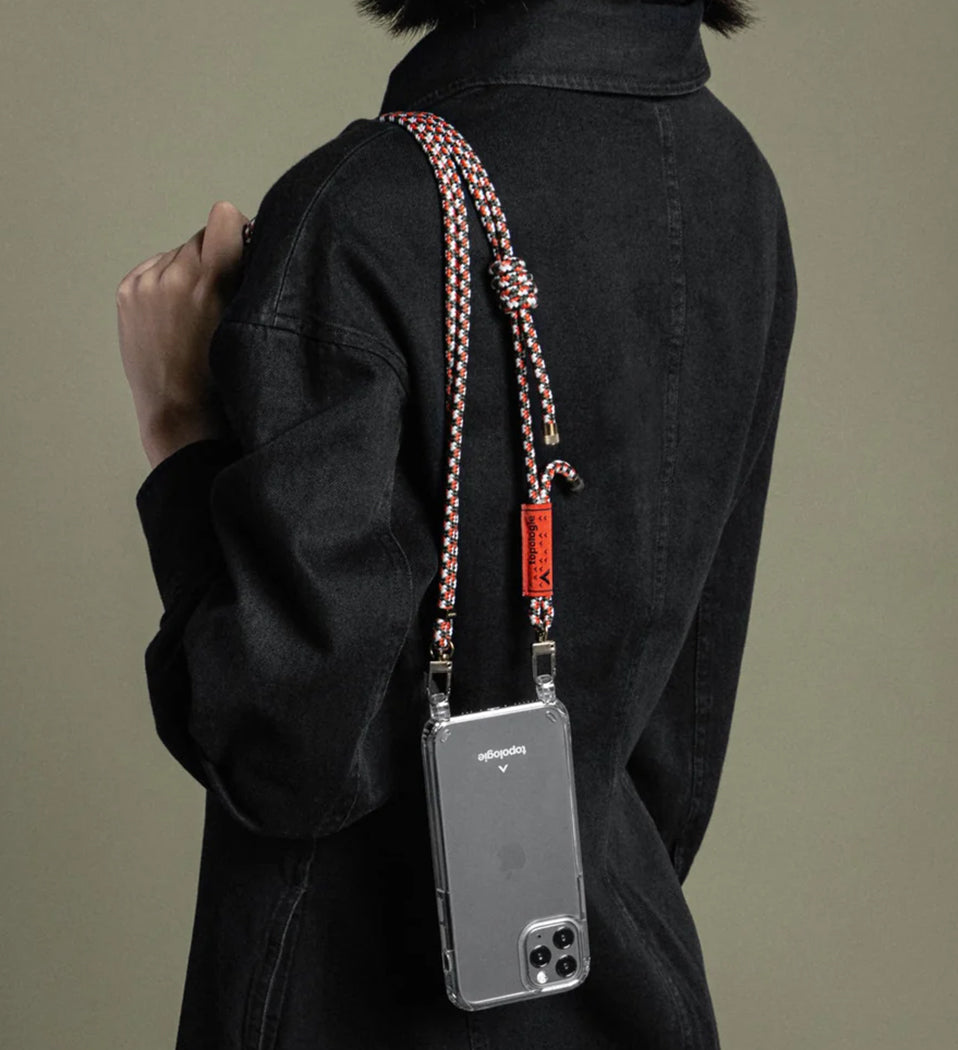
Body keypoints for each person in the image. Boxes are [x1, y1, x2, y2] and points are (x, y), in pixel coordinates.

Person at [115, 0, 797, 1046]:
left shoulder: (368, 207)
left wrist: (179, 429)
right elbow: (676, 744)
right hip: (622, 983)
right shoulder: (733, 176)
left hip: (354, 1001)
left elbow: (284, 752)